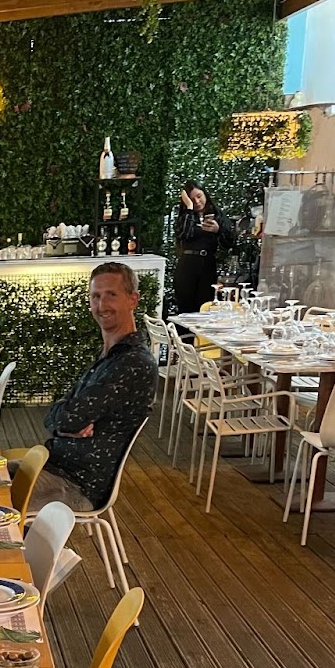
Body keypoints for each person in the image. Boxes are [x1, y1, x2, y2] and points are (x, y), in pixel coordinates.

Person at [31, 261, 158, 511]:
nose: (101, 305)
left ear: (133, 300)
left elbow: (68, 417)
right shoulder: (111, 356)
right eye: (95, 296)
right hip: (53, 466)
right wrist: (65, 425)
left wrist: (65, 423)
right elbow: (58, 416)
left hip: (76, 485)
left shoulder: (132, 363)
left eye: (111, 295)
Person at [173, 181, 236, 312]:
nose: (196, 201)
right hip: (187, 264)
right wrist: (189, 208)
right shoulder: (185, 216)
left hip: (208, 264)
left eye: (199, 196)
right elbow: (183, 234)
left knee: (206, 305)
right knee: (185, 306)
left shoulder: (217, 215)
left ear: (205, 194)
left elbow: (230, 242)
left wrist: (218, 230)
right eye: (191, 199)